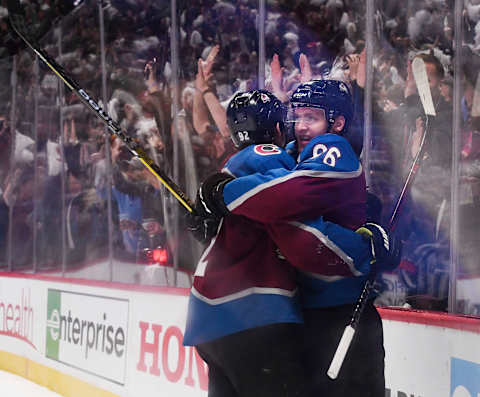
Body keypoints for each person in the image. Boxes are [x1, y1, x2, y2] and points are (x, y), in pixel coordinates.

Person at [196, 81, 401, 397]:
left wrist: (222, 193)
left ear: (337, 122)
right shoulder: (290, 154)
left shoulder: (333, 146)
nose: (301, 126)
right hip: (304, 317)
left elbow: (285, 198)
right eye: (298, 116)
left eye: (312, 117)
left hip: (343, 314)